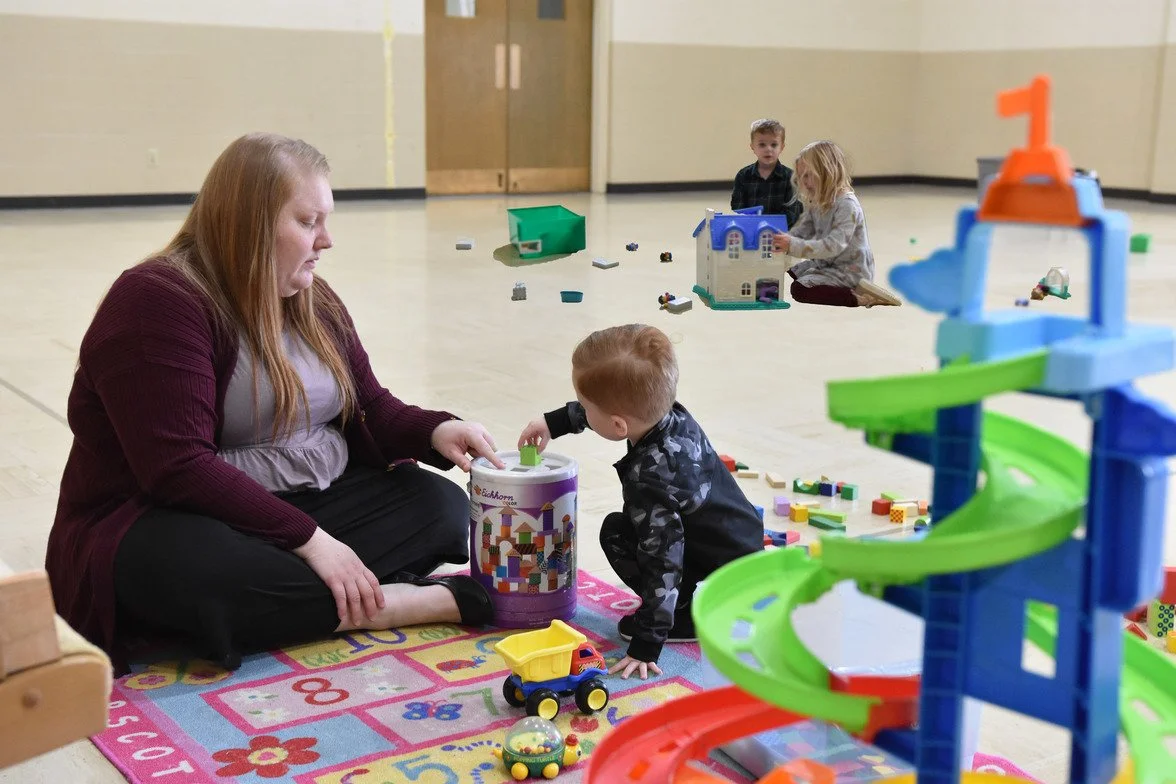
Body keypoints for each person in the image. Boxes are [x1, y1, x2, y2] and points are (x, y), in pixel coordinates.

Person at [46, 132, 505, 675]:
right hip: (168, 516)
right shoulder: (156, 301)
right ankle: (389, 603)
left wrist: (437, 431)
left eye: (325, 221)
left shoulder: (312, 297)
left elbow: (370, 407)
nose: (326, 240)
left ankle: (304, 599)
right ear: (250, 224)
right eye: (309, 222)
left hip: (294, 502)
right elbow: (176, 470)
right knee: (210, 575)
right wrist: (311, 541)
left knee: (444, 510)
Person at [517, 325, 763, 680]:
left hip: (720, 570)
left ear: (619, 425)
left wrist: (646, 642)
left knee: (616, 532)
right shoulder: (671, 414)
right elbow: (609, 408)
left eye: (585, 406)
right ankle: (679, 604)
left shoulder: (650, 480)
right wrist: (553, 422)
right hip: (739, 544)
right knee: (638, 529)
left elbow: (664, 560)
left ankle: (679, 616)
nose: (583, 411)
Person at [771, 140, 902, 308]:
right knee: (794, 269)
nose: (803, 183)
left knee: (799, 290)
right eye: (800, 176)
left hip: (850, 269)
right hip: (828, 262)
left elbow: (833, 245)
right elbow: (804, 227)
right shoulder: (821, 201)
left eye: (808, 176)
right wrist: (785, 241)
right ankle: (840, 287)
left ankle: (857, 297)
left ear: (827, 172)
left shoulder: (847, 205)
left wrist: (793, 245)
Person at [729, 118, 803, 228]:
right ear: (752, 147)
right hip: (751, 231)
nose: (768, 149)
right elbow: (738, 207)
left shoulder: (791, 177)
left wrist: (769, 227)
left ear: (782, 147)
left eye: (774, 145)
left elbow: (793, 212)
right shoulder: (743, 175)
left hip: (782, 234)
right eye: (762, 145)